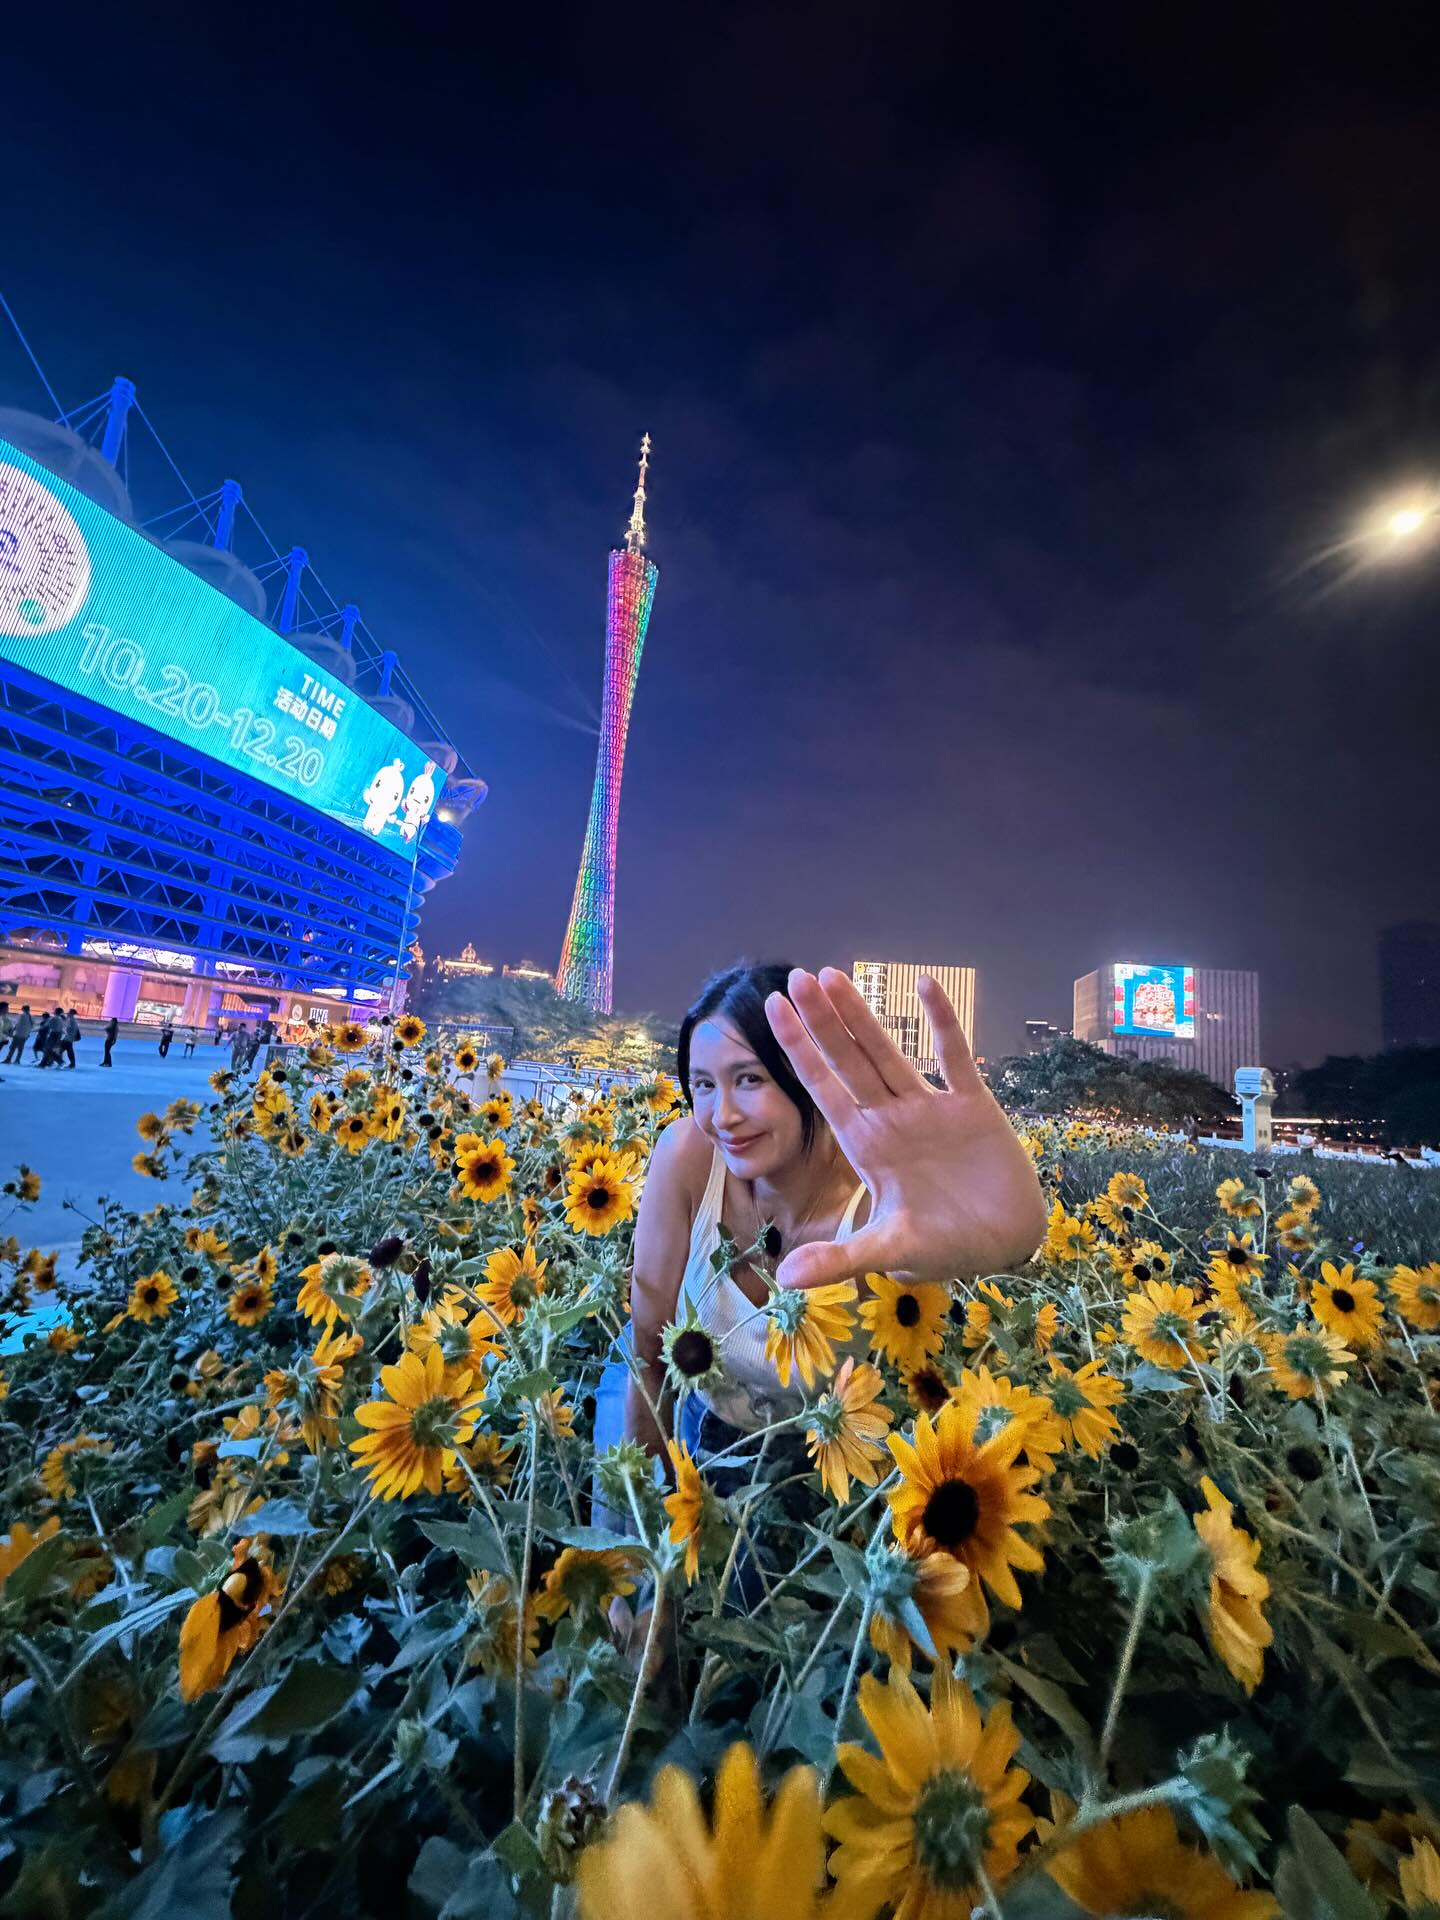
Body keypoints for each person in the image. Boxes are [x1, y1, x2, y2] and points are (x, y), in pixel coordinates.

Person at [620, 963, 1047, 1461]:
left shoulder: (880, 1208)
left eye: (750, 1078)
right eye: (704, 1085)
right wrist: (647, 1502)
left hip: (825, 1464)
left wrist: (1012, 1241)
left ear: (808, 1078)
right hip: (694, 1438)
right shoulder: (688, 1158)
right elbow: (649, 1349)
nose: (723, 1115)